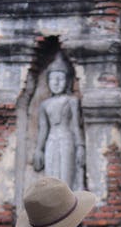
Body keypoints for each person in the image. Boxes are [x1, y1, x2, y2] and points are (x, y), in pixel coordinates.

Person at [33, 53, 85, 190]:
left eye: (60, 79)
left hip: (67, 139)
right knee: (51, 177)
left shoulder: (72, 101)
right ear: (48, 81)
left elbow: (75, 125)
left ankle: (68, 205)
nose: (56, 83)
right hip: (51, 140)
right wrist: (39, 149)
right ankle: (54, 206)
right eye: (52, 79)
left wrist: (80, 146)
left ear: (67, 81)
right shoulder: (45, 104)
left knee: (66, 176)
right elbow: (43, 128)